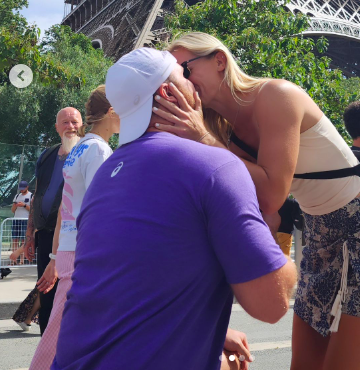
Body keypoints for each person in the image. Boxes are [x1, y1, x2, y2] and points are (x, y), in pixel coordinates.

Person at [154, 32, 360, 370]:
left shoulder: (276, 95)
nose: (179, 83)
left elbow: (273, 195)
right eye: (170, 79)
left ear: (220, 61)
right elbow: (257, 210)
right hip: (321, 238)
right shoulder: (218, 130)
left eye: (184, 69)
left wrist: (201, 138)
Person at [52, 48, 296, 370]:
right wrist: (279, 230)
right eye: (184, 74)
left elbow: (134, 285)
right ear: (168, 92)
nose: (193, 83)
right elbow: (272, 304)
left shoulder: (105, 178)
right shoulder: (216, 166)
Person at [30, 86, 120, 370]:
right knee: (65, 330)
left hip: (72, 247)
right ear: (112, 112)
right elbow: (101, 207)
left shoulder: (78, 149)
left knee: (66, 326)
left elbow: (62, 212)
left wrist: (55, 257)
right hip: (88, 249)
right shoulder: (98, 150)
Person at [23, 107, 82, 334]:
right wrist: (31, 236)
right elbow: (37, 195)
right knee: (45, 293)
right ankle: (46, 350)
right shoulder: (47, 156)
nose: (70, 127)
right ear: (57, 127)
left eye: (74, 122)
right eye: (65, 123)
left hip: (73, 236)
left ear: (82, 125)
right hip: (46, 234)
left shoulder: (86, 152)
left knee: (70, 294)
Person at [10, 180, 32, 264]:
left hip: (25, 220)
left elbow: (32, 210)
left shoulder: (31, 196)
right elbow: (12, 210)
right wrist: (15, 205)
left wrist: (24, 205)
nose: (21, 190)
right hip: (16, 219)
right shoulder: (17, 196)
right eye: (20, 189)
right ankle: (13, 260)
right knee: (15, 239)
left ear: (27, 187)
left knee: (23, 240)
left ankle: (22, 260)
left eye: (23, 188)